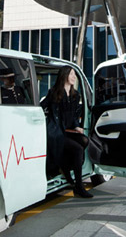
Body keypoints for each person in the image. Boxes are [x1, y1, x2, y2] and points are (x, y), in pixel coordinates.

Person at [40, 66, 93, 198]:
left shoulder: (76, 95)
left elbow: (75, 116)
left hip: (68, 130)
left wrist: (76, 126)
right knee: (78, 149)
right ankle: (79, 187)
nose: (74, 77)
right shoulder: (53, 92)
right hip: (56, 131)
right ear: (64, 75)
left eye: (75, 74)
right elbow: (41, 107)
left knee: (85, 141)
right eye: (72, 74)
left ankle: (65, 167)